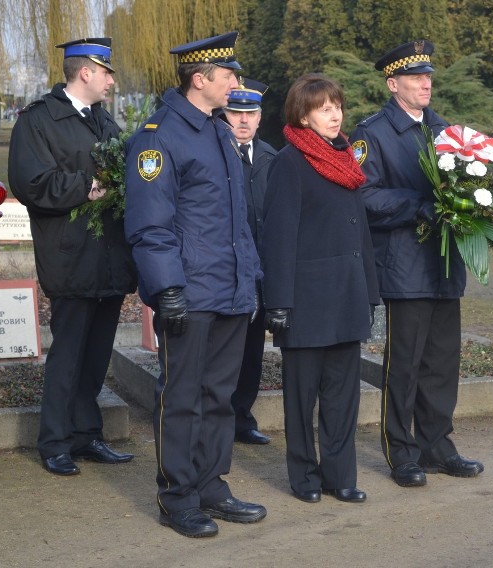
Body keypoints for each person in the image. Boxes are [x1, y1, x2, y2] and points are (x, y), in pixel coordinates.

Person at [124, 31, 267, 539]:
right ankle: (177, 496)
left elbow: (237, 222)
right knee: (181, 396)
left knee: (219, 395)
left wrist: (249, 282)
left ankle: (210, 484)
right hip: (190, 291)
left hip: (229, 291)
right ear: (200, 79)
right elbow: (149, 223)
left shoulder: (219, 131)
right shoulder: (159, 136)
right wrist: (166, 290)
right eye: (229, 75)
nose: (237, 82)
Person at [350, 40, 485, 488]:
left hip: (445, 264)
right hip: (405, 265)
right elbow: (363, 196)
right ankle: (402, 451)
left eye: (428, 76)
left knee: (443, 361)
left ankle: (438, 444)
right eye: (415, 78)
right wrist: (419, 206)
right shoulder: (371, 134)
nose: (426, 83)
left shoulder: (447, 130)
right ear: (393, 85)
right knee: (404, 364)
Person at [8, 38, 138, 476]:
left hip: (108, 257)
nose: (112, 81)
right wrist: (87, 186)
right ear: (86, 72)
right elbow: (30, 182)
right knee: (67, 355)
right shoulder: (40, 120)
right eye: (107, 72)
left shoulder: (105, 122)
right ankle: (55, 441)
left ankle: (86, 435)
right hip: (70, 254)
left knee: (97, 354)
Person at [261, 73, 379, 504]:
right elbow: (278, 237)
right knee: (301, 397)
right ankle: (305, 478)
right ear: (303, 116)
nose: (334, 114)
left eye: (337, 106)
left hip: (347, 295)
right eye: (323, 108)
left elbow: (360, 232)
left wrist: (370, 290)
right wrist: (279, 302)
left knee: (342, 396)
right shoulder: (290, 163)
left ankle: (339, 475)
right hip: (306, 302)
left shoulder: (346, 159)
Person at [220, 78, 277, 446]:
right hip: (226, 272)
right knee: (225, 352)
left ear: (260, 117)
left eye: (250, 114)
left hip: (260, 274)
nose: (243, 121)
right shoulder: (215, 154)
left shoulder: (273, 158)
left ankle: (242, 417)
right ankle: (219, 420)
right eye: (235, 113)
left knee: (253, 351)